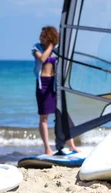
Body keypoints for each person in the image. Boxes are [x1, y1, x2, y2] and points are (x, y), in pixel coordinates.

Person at [32, 26, 78, 155]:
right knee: (44, 117)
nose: (40, 38)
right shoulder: (36, 48)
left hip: (55, 84)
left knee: (64, 114)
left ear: (49, 37)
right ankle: (47, 148)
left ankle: (71, 145)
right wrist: (51, 46)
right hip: (43, 84)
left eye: (43, 36)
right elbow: (42, 59)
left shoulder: (56, 51)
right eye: (40, 35)